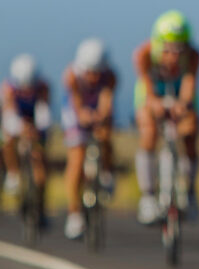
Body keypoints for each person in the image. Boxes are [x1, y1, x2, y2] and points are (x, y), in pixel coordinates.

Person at [133, 10, 199, 225]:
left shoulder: (195, 57)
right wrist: (154, 103)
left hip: (179, 93)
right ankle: (147, 196)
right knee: (149, 132)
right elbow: (147, 88)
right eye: (169, 49)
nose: (174, 56)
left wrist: (184, 105)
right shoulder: (144, 55)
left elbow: (190, 84)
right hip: (151, 92)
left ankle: (190, 192)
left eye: (180, 49)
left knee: (190, 131)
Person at [61, 38, 117, 239]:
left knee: (105, 136)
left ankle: (107, 172)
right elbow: (75, 103)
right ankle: (74, 213)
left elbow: (106, 99)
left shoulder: (110, 75)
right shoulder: (71, 75)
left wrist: (101, 116)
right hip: (75, 111)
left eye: (97, 73)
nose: (93, 77)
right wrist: (83, 115)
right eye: (89, 73)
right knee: (76, 159)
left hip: (97, 108)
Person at [2, 54, 51, 220]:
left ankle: (40, 205)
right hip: (16, 119)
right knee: (6, 138)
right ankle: (13, 172)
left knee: (40, 161)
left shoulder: (43, 87)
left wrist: (37, 129)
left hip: (35, 120)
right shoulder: (8, 88)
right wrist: (21, 127)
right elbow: (9, 114)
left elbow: (44, 113)